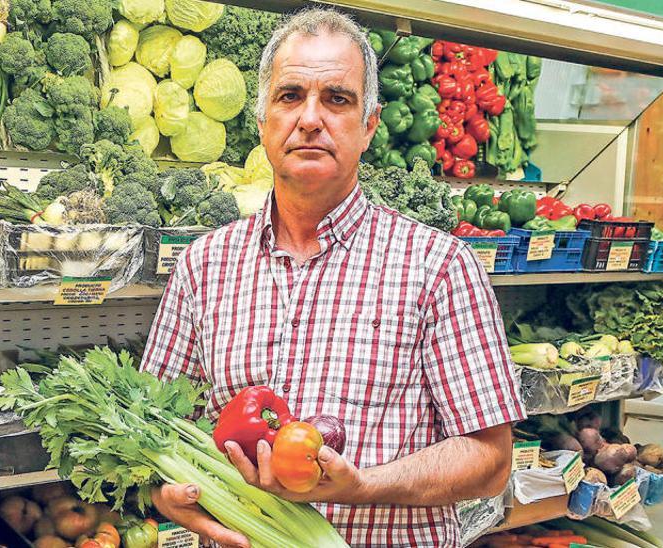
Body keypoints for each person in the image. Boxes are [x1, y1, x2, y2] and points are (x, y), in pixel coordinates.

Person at [139, 8, 524, 547]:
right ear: (262, 122)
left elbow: (490, 461)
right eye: (290, 96)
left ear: (369, 127)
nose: (311, 118)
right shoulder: (204, 265)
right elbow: (150, 430)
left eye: (337, 100)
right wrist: (165, 498)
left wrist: (362, 486)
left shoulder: (438, 266)